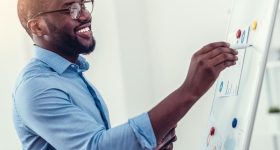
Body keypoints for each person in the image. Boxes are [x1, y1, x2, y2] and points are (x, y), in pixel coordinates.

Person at [13, 0, 238, 149]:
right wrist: (190, 90)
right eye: (70, 8)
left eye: (83, 4)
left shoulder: (71, 76)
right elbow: (96, 147)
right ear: (38, 27)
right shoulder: (36, 87)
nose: (84, 15)